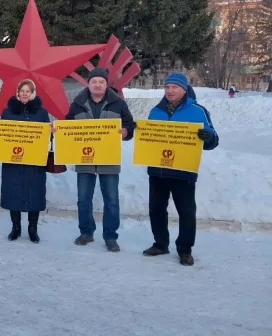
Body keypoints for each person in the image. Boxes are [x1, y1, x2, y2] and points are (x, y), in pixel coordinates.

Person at [142, 73, 219, 266]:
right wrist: (140, 131)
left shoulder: (197, 111)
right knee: (156, 209)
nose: (170, 91)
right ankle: (160, 244)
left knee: (186, 212)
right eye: (167, 87)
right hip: (158, 170)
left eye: (174, 87)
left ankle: (184, 250)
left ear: (184, 89)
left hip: (183, 171)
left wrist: (208, 137)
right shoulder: (155, 111)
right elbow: (149, 139)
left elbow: (213, 140)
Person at [64, 68, 135, 252]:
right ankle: (86, 232)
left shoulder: (118, 104)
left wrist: (126, 132)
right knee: (83, 199)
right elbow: (67, 124)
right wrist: (59, 131)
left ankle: (111, 236)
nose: (97, 85)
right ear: (88, 83)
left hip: (109, 160)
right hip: (84, 159)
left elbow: (129, 124)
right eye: (94, 81)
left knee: (111, 200)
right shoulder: (77, 104)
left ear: (106, 84)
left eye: (101, 82)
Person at [0, 80, 50, 243]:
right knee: (14, 192)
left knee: (34, 193)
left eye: (28, 91)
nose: (25, 93)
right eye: (22, 90)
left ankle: (32, 228)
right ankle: (16, 227)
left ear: (33, 93)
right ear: (17, 92)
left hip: (34, 162)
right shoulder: (7, 112)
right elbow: (1, 136)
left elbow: (47, 135)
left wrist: (52, 132)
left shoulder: (41, 113)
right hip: (13, 161)